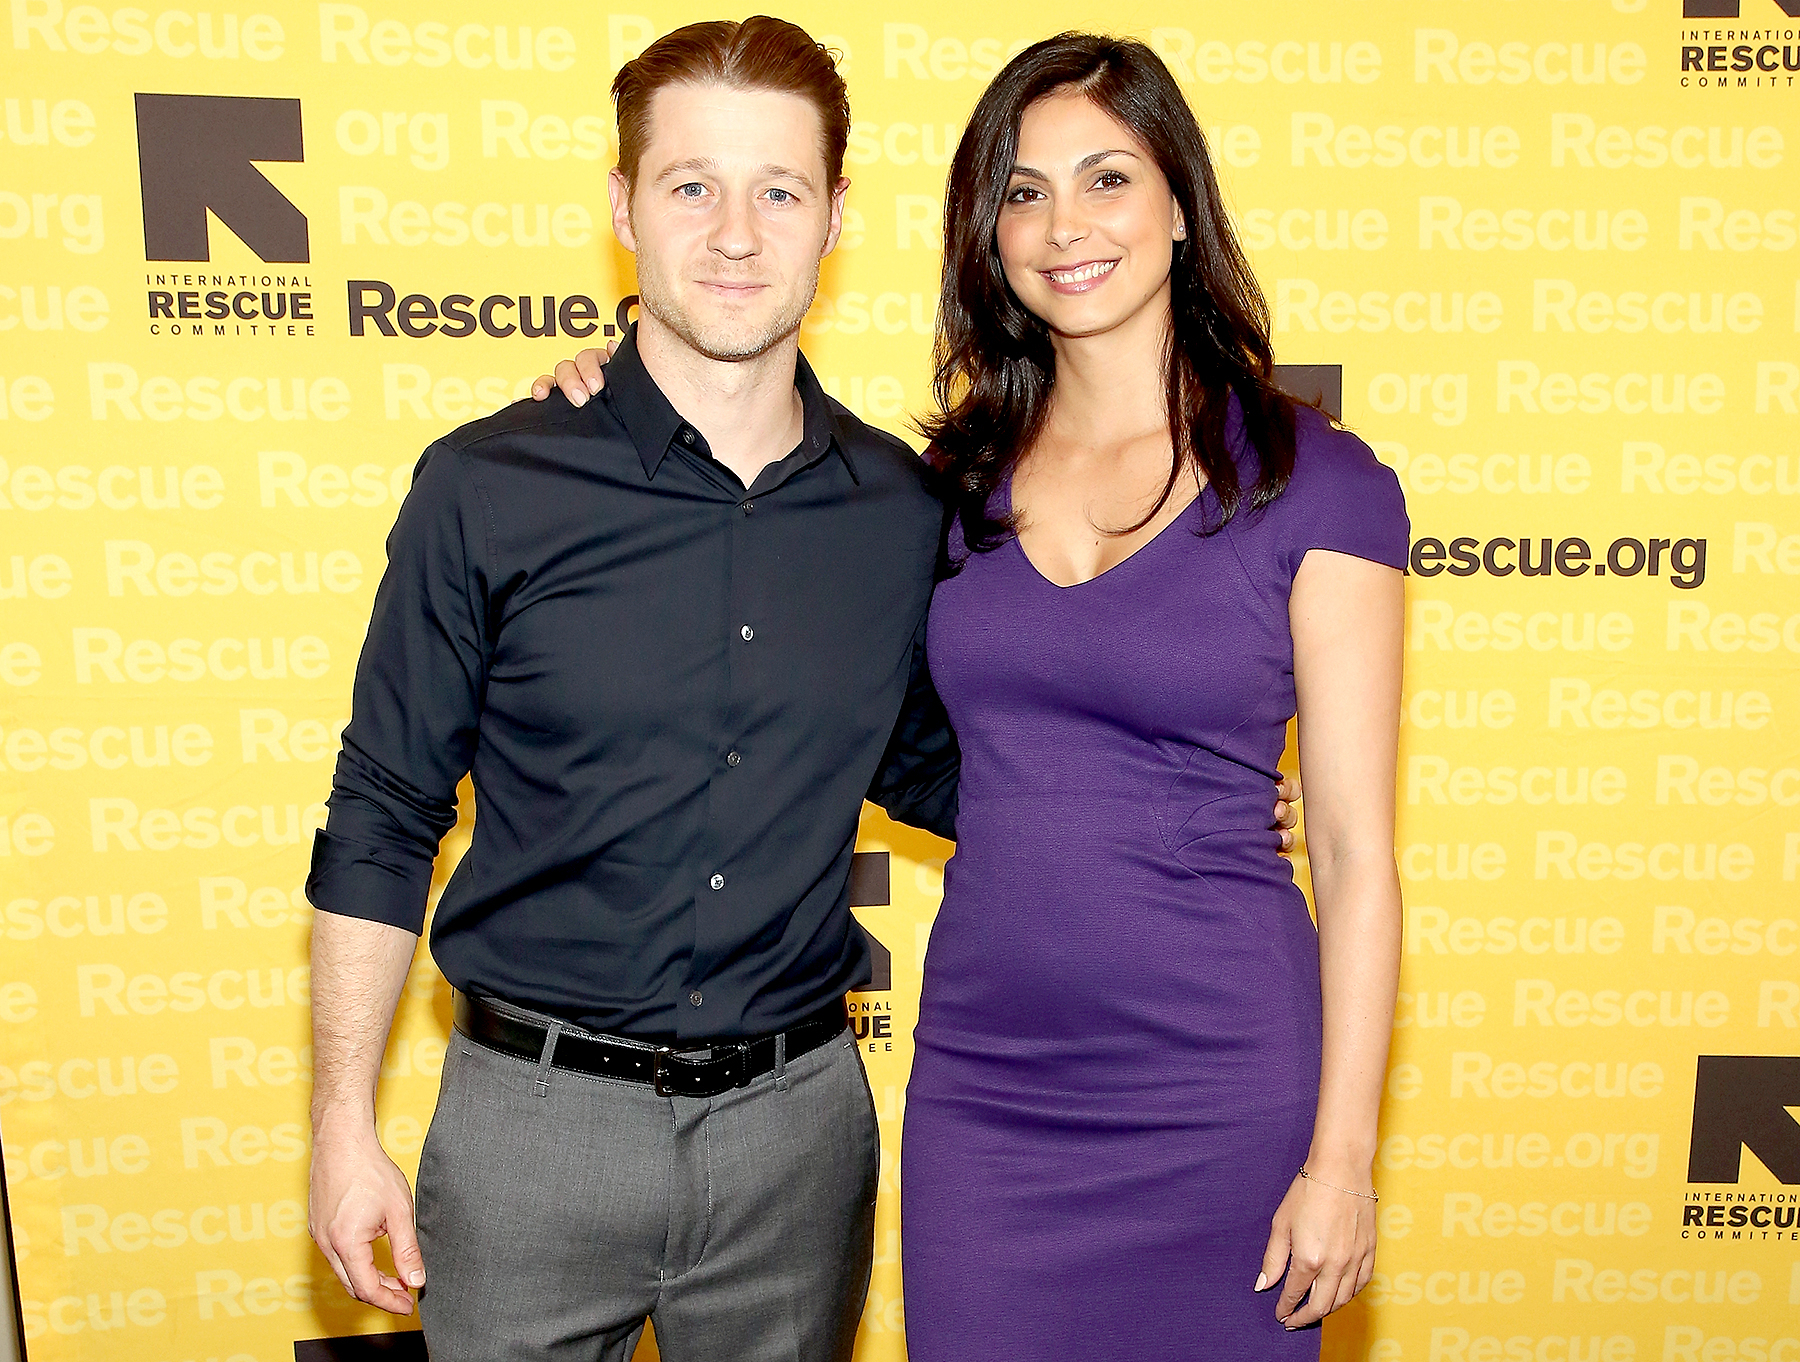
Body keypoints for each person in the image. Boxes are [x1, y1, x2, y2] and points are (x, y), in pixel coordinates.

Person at [541, 27, 1402, 1360]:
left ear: (1182, 205)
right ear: (988, 234)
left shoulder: (1319, 483)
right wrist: (603, 397)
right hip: (990, 1092)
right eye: (1023, 191)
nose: (1066, 225)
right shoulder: (941, 492)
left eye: (1108, 179)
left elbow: (1350, 853)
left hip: (1226, 1081)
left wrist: (1342, 1158)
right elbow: (767, 574)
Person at [304, 19, 959, 1362]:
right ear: (624, 207)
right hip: (529, 1133)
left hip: (797, 1138)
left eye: (779, 190)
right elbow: (382, 810)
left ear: (836, 217)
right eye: (691, 186)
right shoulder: (490, 485)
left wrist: (1202, 793)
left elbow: (954, 767)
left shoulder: (901, 510)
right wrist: (339, 1124)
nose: (736, 235)